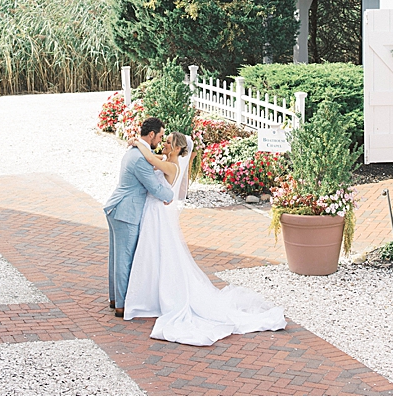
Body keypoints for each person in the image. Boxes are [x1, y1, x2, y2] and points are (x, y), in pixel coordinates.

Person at [123, 130, 287, 345]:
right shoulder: (165, 160)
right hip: (153, 212)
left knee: (160, 251)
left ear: (178, 148)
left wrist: (137, 142)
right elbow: (153, 160)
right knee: (153, 252)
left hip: (158, 214)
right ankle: (150, 293)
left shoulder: (172, 166)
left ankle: (160, 295)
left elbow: (150, 158)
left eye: (169, 142)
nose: (164, 143)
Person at [104, 117, 174, 318]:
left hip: (117, 208)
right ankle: (122, 304)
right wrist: (170, 195)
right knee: (124, 258)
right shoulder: (140, 159)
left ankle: (115, 299)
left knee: (116, 257)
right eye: (160, 136)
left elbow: (155, 160)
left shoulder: (137, 152)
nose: (160, 141)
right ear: (151, 135)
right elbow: (154, 187)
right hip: (126, 212)